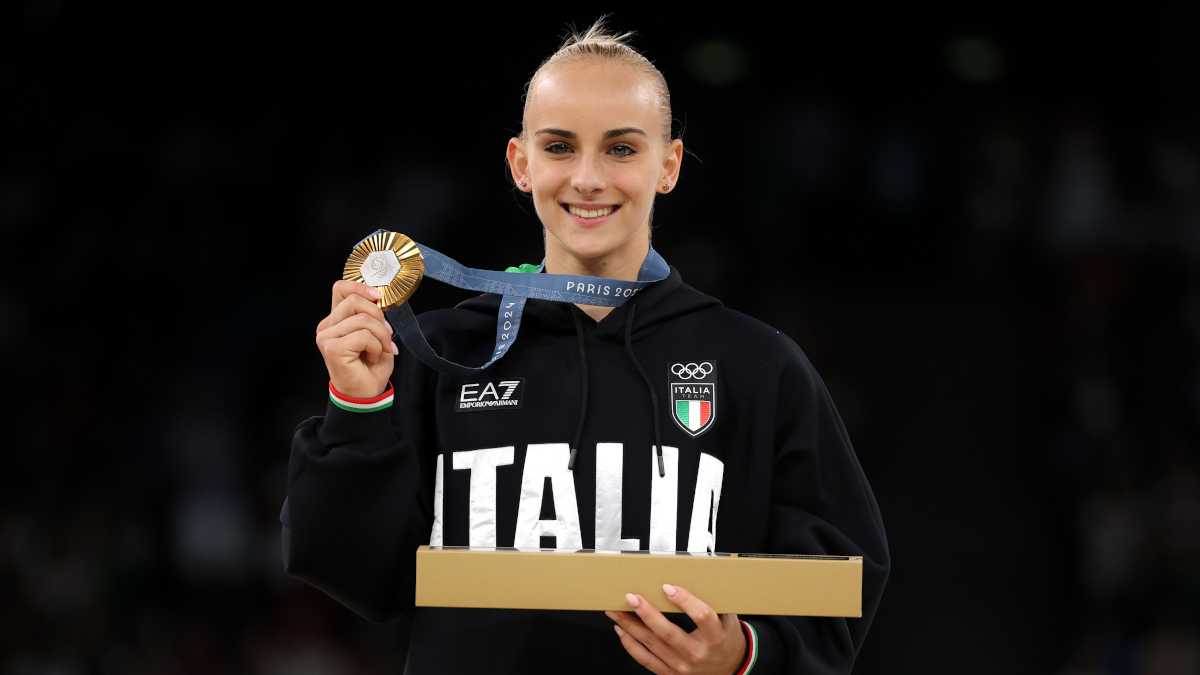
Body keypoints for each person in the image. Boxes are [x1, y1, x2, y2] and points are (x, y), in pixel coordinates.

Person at [283, 20, 889, 675]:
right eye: (560, 147)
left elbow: (840, 580)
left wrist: (745, 654)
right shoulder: (441, 353)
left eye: (621, 148)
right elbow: (355, 573)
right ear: (521, 164)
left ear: (669, 165)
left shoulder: (757, 363)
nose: (589, 178)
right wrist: (357, 407)